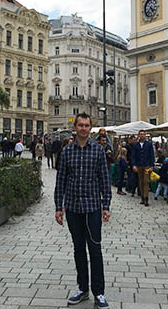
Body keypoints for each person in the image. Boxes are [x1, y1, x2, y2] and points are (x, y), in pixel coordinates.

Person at [55, 113, 111, 308]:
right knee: (79, 249)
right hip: (72, 208)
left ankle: (99, 292)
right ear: (75, 127)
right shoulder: (67, 151)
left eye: (87, 125)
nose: (83, 128)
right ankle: (82, 288)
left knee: (95, 249)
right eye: (80, 125)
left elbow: (105, 180)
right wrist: (58, 207)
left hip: (93, 207)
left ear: (90, 128)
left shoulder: (98, 151)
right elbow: (60, 180)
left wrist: (106, 206)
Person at [131, 130, 155, 206]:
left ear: (145, 135)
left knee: (146, 181)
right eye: (140, 134)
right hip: (139, 165)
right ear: (138, 135)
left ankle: (146, 198)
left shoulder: (149, 144)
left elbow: (152, 155)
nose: (142, 136)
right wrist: (134, 165)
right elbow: (133, 155)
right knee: (141, 181)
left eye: (143, 134)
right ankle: (142, 197)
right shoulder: (135, 145)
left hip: (147, 165)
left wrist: (151, 165)